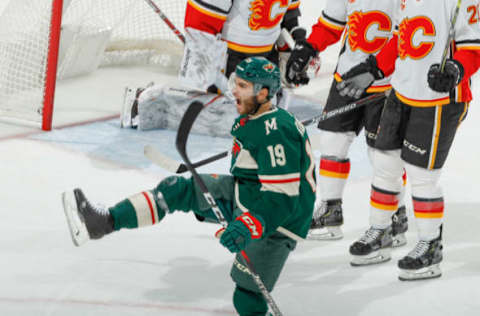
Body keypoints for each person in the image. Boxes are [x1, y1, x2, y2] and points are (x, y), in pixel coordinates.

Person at [62, 57, 316, 315]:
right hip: (248, 192)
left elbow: (283, 199)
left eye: (242, 85)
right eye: (234, 83)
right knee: (176, 190)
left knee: (247, 296)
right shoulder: (256, 119)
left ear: (262, 92)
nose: (233, 91)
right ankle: (103, 222)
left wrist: (249, 225)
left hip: (279, 221)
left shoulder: (275, 134)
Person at [335, 0, 480, 280]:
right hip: (400, 91)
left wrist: (455, 70)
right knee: (384, 164)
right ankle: (382, 230)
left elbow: (474, 49)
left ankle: (430, 246)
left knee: (421, 174)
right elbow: (402, 36)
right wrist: (375, 68)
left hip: (438, 100)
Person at [284, 0, 408, 252]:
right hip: (348, 77)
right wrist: (308, 47)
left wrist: (374, 70)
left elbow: (404, 38)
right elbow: (331, 25)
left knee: (384, 154)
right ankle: (330, 209)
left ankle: (395, 214)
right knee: (332, 140)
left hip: (387, 82)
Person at [120, 0, 310, 134]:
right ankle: (148, 102)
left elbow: (287, 14)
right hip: (232, 58)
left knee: (268, 113)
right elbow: (200, 27)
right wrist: (212, 72)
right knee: (239, 119)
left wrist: (292, 49)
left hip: (265, 56)